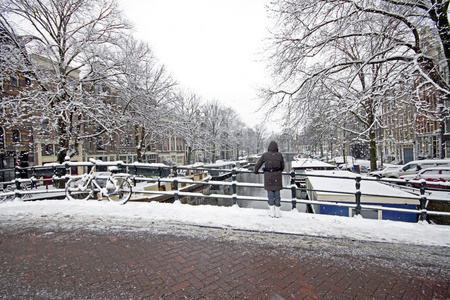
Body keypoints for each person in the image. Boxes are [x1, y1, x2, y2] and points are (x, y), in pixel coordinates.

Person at [254, 141, 285, 218]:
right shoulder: (279, 155)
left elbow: (259, 164)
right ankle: (277, 212)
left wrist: (256, 170)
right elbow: (283, 166)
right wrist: (278, 171)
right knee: (277, 194)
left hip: (268, 177)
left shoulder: (265, 155)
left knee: (270, 194)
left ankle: (272, 212)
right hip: (277, 176)